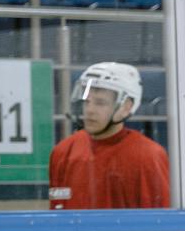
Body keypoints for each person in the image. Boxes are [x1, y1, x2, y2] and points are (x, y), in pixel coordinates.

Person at [49, 61, 169, 209]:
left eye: (100, 103)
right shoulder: (63, 151)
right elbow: (57, 214)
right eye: (87, 102)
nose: (90, 110)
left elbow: (158, 222)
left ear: (126, 107)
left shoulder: (148, 156)